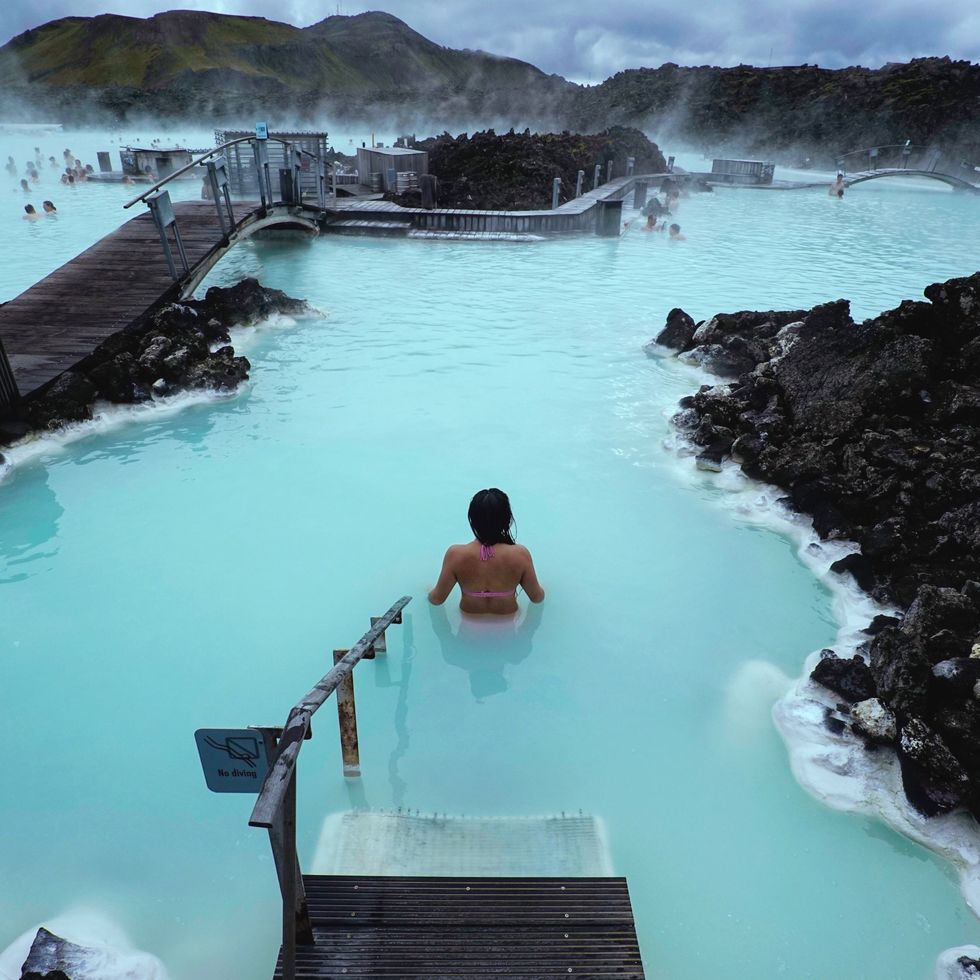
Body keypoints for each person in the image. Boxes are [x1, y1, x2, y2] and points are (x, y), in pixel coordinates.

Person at [428, 488, 545, 615]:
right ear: (507, 520)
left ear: (472, 520)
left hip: (469, 621)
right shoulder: (520, 555)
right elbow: (537, 598)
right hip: (507, 621)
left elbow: (436, 600)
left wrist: (426, 591)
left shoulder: (455, 554)